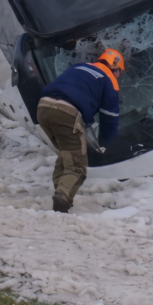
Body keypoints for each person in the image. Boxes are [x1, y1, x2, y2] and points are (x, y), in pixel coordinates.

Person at [37, 48, 124, 213]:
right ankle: (62, 199)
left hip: (43, 107)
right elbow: (110, 120)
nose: (119, 76)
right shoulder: (109, 79)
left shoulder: (79, 67)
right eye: (120, 72)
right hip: (66, 112)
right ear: (116, 68)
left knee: (66, 154)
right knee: (78, 164)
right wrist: (104, 143)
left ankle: (60, 195)